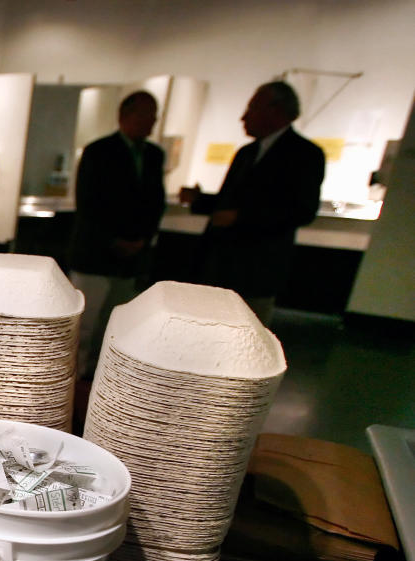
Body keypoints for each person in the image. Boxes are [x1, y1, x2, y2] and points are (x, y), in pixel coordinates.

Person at [179, 81, 325, 326]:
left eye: (253, 108)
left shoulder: (304, 154)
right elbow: (230, 201)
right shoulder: (246, 153)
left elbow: (301, 210)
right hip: (220, 265)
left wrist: (241, 218)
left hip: (256, 269)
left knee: (244, 338)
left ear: (275, 111)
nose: (244, 117)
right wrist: (200, 200)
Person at [68, 90, 166, 379]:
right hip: (95, 255)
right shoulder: (99, 151)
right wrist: (112, 240)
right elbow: (88, 204)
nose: (151, 122)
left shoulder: (153, 155)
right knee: (83, 326)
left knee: (115, 325)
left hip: (130, 258)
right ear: (125, 115)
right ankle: (74, 382)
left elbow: (154, 203)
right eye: (145, 115)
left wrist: (142, 240)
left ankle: (102, 379)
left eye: (154, 116)